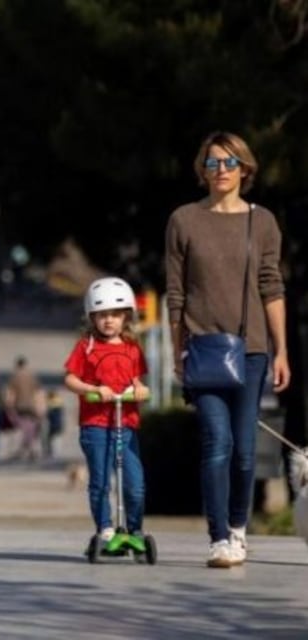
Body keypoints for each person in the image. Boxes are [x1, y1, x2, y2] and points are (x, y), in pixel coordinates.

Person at [165, 131, 290, 568]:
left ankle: (238, 527)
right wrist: (175, 347)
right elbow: (175, 293)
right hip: (202, 348)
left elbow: (272, 287)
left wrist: (281, 350)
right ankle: (218, 537)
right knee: (216, 441)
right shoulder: (183, 220)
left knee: (244, 449)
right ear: (202, 169)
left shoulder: (263, 222)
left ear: (246, 169)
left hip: (252, 349)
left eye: (230, 162)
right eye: (213, 162)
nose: (221, 171)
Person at [63, 277, 149, 546]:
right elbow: (70, 379)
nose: (108, 321)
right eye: (102, 315)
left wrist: (140, 390)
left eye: (114, 315)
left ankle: (134, 530)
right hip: (95, 424)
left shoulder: (132, 348)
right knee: (100, 482)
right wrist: (94, 389)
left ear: (126, 317)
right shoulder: (86, 346)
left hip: (126, 423)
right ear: (92, 317)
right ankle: (105, 527)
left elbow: (138, 381)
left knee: (134, 485)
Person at [4, 356, 44, 462]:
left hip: (20, 406)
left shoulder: (15, 377)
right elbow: (38, 393)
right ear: (25, 365)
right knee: (30, 427)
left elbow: (11, 393)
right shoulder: (32, 376)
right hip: (31, 406)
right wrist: (40, 407)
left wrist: (8, 406)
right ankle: (31, 449)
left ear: (17, 365)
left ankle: (27, 449)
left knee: (24, 428)